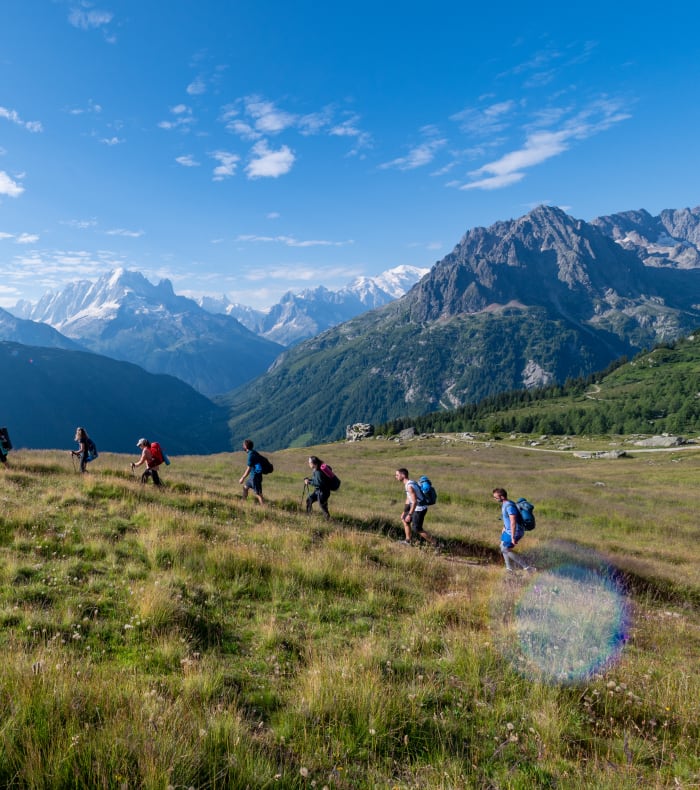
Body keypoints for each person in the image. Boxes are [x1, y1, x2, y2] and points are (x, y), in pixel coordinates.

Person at [492, 487, 534, 572]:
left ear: (502, 497)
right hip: (508, 530)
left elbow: (513, 521)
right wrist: (504, 527)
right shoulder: (505, 503)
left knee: (505, 549)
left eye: (496, 497)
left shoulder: (509, 506)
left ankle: (527, 567)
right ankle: (509, 569)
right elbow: (506, 518)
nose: (495, 499)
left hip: (515, 531)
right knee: (502, 547)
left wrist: (512, 537)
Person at [395, 468, 437, 546]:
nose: (396, 476)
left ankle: (436, 544)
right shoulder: (410, 483)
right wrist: (405, 512)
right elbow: (408, 499)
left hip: (420, 509)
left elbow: (414, 502)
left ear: (403, 475)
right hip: (415, 507)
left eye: (397, 475)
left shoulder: (409, 486)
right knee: (405, 520)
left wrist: (409, 514)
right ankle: (408, 541)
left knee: (417, 529)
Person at [238, 438, 264, 504]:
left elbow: (248, 469)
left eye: (243, 445)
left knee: (258, 493)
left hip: (255, 477)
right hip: (254, 476)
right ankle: (242, 502)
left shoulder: (250, 455)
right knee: (245, 487)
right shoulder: (254, 452)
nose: (242, 446)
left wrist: (242, 478)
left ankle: (264, 507)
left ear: (246, 446)